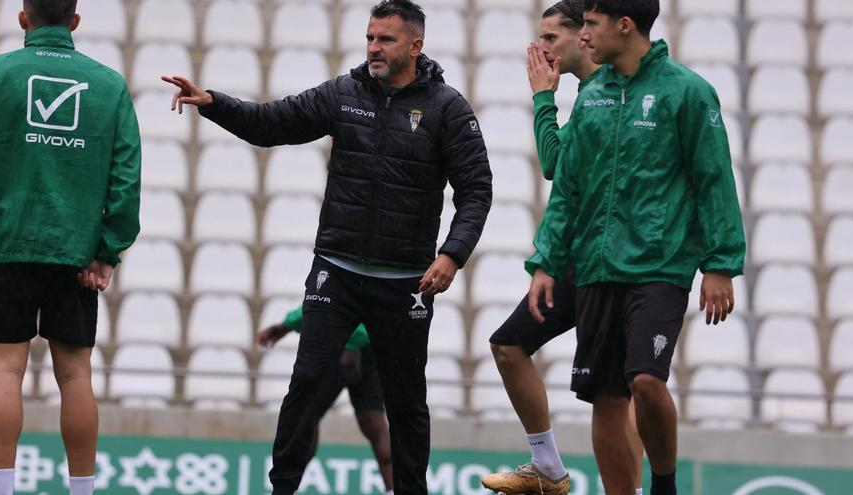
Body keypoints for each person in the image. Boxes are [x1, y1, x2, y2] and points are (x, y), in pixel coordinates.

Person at [162, 1, 492, 492]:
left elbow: (476, 189)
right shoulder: (344, 93)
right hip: (335, 270)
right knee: (308, 381)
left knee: (405, 402)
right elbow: (272, 122)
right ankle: (282, 488)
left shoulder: (447, 108)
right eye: (370, 38)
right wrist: (214, 102)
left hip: (405, 281)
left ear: (416, 46)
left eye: (386, 39)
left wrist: (452, 254)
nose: (373, 48)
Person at [525, 0, 746, 494]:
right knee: (605, 397)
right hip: (599, 266)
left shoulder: (688, 92)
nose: (583, 36)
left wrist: (720, 264)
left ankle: (664, 483)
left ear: (625, 26)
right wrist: (546, 261)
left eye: (592, 25)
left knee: (646, 382)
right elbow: (569, 188)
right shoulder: (592, 96)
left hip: (660, 266)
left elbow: (714, 181)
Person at [482, 2, 643, 494]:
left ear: (583, 37)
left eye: (552, 37)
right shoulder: (590, 94)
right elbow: (562, 166)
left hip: (614, 258)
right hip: (580, 255)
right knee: (509, 345)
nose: (542, 48)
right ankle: (548, 469)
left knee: (622, 390)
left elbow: (554, 164)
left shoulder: (609, 94)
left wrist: (541, 99)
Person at [0, 1, 142, 495]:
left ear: (23, 18)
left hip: (7, 242)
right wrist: (107, 249)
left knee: (3, 368)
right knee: (76, 374)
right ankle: (82, 491)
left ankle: (2, 487)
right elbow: (126, 176)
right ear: (74, 21)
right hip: (76, 251)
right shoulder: (109, 85)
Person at [257, 307, 394, 494]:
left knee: (308, 417)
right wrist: (287, 325)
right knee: (311, 418)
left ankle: (284, 488)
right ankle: (285, 488)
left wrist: (287, 325)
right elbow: (322, 298)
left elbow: (326, 297)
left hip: (344, 343)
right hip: (361, 343)